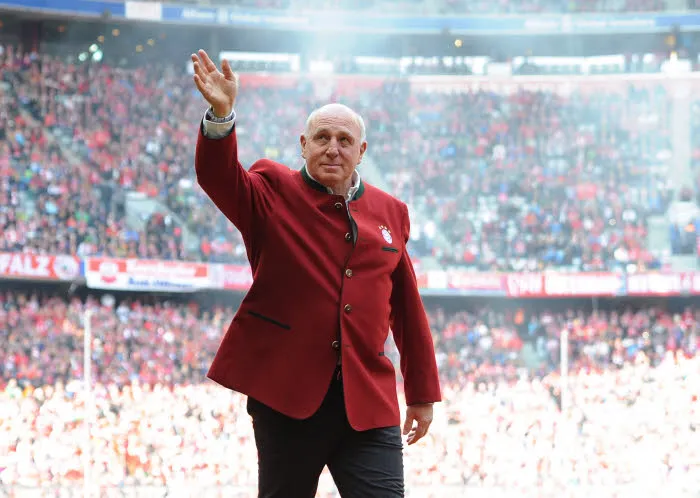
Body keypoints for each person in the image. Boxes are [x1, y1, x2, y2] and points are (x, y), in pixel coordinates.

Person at [191, 49, 441, 498]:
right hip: (287, 397)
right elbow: (218, 177)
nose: (332, 148)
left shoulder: (391, 211)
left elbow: (406, 307)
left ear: (361, 151)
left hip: (368, 401)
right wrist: (221, 116)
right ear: (303, 145)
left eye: (344, 140)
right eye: (322, 137)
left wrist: (421, 393)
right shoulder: (272, 189)